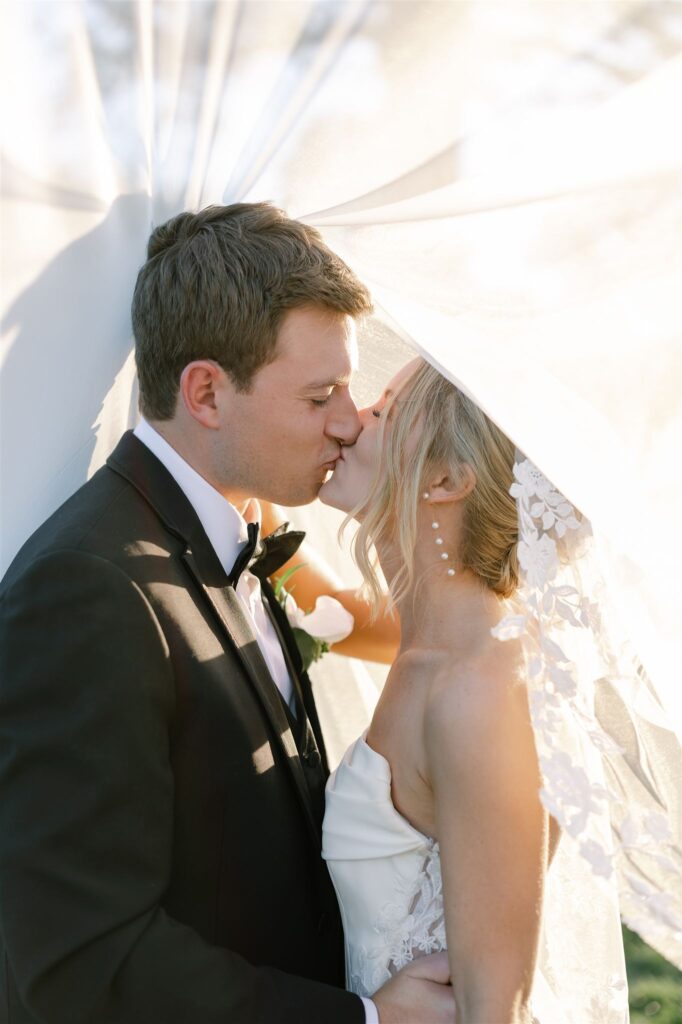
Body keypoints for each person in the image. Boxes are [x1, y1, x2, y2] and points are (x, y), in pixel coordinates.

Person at [0, 204, 454, 1024]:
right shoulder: (88, 590)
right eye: (320, 395)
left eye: (348, 388)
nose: (349, 422)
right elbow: (85, 962)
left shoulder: (242, 533)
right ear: (206, 392)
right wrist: (366, 1022)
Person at [319, 357, 563, 1024]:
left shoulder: (477, 690)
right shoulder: (427, 649)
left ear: (448, 480)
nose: (349, 420)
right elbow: (313, 602)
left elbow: (493, 1010)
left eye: (383, 412)